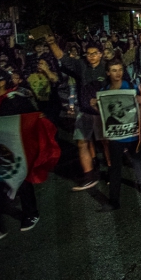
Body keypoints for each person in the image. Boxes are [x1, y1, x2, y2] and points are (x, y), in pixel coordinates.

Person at [0, 66, 46, 240]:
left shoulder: (16, 99)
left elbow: (33, 116)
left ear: (2, 82)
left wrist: (37, 118)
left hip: (14, 150)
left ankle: (31, 213)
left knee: (21, 182)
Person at [46, 35, 106, 190]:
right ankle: (89, 176)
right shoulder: (81, 65)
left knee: (106, 144)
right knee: (81, 143)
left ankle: (113, 171)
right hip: (84, 111)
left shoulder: (107, 67)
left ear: (101, 54)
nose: (91, 56)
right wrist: (52, 43)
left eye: (95, 53)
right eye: (89, 53)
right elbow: (63, 58)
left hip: (104, 113)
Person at [94, 57, 141, 211]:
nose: (118, 73)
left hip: (133, 135)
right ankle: (114, 201)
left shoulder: (132, 87)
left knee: (137, 160)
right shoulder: (104, 92)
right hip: (115, 137)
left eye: (120, 69)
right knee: (114, 168)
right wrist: (95, 105)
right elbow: (102, 115)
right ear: (108, 73)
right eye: (114, 70)